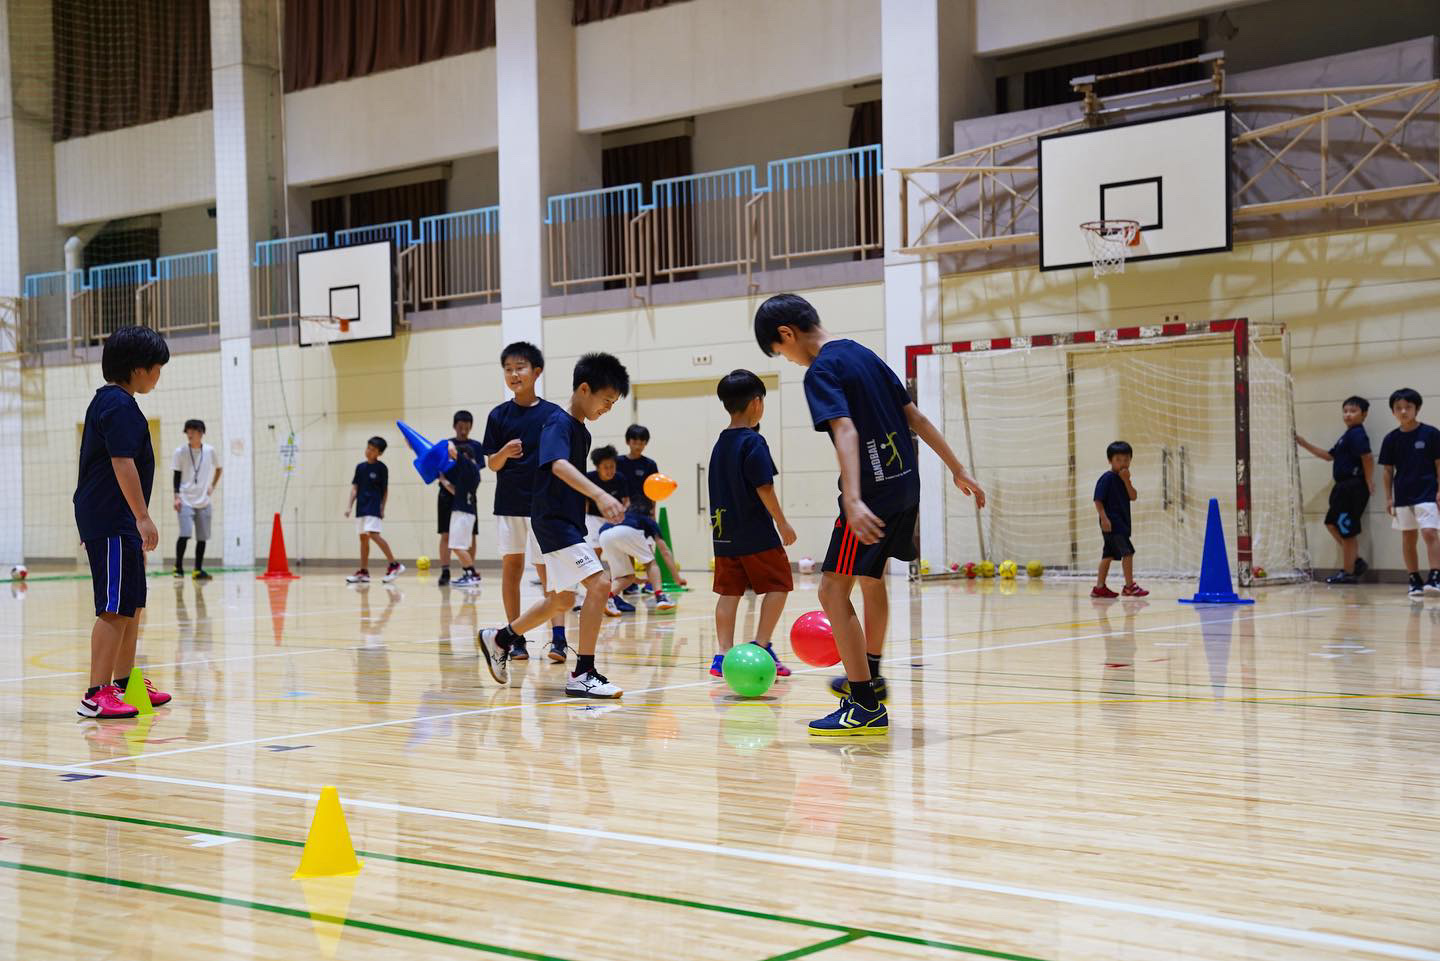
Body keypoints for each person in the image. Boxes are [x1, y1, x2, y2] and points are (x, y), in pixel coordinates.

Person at [754, 294, 986, 736]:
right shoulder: (862, 353)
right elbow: (914, 417)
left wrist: (853, 498)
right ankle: (871, 674)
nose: (788, 359)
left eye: (781, 352)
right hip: (905, 487)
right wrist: (958, 468)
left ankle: (862, 704)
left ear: (786, 334)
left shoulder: (822, 370)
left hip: (873, 495)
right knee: (871, 578)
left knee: (830, 590)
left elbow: (845, 428)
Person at [478, 353, 630, 698]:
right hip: (553, 522)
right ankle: (584, 673)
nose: (608, 407)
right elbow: (558, 465)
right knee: (600, 583)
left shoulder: (582, 432)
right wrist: (601, 496)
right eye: (606, 400)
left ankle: (500, 638)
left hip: (566, 523)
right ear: (585, 388)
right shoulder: (556, 423)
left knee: (560, 601)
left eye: (613, 403)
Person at [73, 326, 173, 718]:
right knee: (114, 606)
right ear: (137, 368)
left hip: (120, 520)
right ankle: (96, 694)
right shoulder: (116, 405)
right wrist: (143, 516)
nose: (158, 375)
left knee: (131, 604)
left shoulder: (119, 403)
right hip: (112, 518)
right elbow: (121, 462)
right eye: (156, 367)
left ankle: (126, 685)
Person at [707, 370, 796, 679]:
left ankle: (722, 655)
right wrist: (783, 523)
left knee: (728, 593)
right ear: (757, 403)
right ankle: (761, 646)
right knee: (780, 584)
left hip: (724, 534)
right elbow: (764, 487)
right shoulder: (753, 442)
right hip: (755, 533)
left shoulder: (720, 444)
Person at [481, 341, 566, 662]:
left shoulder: (553, 415)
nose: (514, 374)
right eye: (508, 369)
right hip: (509, 505)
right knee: (512, 569)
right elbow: (492, 464)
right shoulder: (499, 415)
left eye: (520, 367)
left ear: (537, 371)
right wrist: (503, 453)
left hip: (543, 507)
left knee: (550, 573)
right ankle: (515, 638)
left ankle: (558, 639)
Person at [1296, 396, 1374, 584]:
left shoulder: (1357, 434)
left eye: (1353, 411)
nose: (1348, 415)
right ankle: (1355, 561)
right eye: (1345, 411)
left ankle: (1348, 572)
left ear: (1363, 415)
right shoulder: (1347, 436)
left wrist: (1369, 481)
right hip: (1342, 488)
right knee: (1332, 523)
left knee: (1346, 529)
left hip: (1352, 487)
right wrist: (1303, 443)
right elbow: (1328, 456)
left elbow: (1367, 457)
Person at [1377, 388, 1440, 599]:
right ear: (1393, 411)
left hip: (1428, 492)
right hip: (1402, 495)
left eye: (1408, 407)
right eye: (1398, 408)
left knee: (1430, 532)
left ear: (1417, 408)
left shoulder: (1431, 434)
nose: (1403, 411)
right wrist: (1388, 497)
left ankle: (1436, 576)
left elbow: (1439, 464)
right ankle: (1414, 579)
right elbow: (1387, 470)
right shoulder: (1391, 439)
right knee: (1408, 537)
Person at [597, 508, 681, 615]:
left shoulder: (622, 516)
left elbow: (629, 567)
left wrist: (639, 580)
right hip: (625, 531)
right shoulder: (648, 521)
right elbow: (665, 552)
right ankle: (660, 597)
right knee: (651, 563)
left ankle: (607, 599)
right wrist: (677, 578)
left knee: (626, 576)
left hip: (604, 534)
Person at [1091, 441, 1147, 598]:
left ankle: (1099, 588)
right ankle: (1129, 586)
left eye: (1126, 460)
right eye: (1118, 460)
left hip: (1121, 523)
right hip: (1113, 523)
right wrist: (1104, 518)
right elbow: (1098, 500)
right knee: (1128, 553)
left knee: (1108, 555)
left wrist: (1126, 480)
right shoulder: (1107, 478)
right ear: (1110, 460)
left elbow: (1133, 496)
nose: (1123, 463)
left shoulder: (1123, 479)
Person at [344, 436, 404, 584]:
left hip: (373, 507)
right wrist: (349, 506)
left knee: (373, 535)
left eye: (373, 450)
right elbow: (355, 488)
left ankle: (394, 564)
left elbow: (385, 490)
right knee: (363, 539)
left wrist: (383, 507)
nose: (369, 451)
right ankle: (363, 572)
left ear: (379, 453)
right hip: (361, 507)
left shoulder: (382, 468)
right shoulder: (360, 467)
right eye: (368, 448)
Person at [436, 410, 484, 586]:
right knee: (447, 536)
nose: (464, 430)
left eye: (467, 427)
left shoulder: (472, 449)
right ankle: (447, 571)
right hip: (452, 497)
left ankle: (470, 571)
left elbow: (473, 469)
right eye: (460, 426)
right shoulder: (447, 446)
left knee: (465, 539)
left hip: (463, 497)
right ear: (454, 426)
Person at [172, 418, 221, 581]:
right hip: (185, 499)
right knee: (185, 534)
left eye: (192, 431)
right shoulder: (180, 451)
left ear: (201, 432)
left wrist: (212, 486)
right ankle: (178, 567)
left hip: (204, 501)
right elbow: (176, 475)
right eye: (187, 431)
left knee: (202, 537)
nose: (189, 434)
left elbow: (219, 468)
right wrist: (176, 496)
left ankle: (197, 570)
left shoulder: (209, 450)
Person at [446, 442, 483, 588]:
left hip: (463, 513)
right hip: (464, 512)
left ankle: (473, 574)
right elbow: (457, 492)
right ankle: (468, 574)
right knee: (458, 545)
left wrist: (448, 443)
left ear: (465, 455)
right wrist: (443, 481)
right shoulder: (470, 472)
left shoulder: (469, 466)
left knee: (457, 546)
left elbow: (451, 450)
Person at [585, 444, 629, 550]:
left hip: (615, 518)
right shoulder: (589, 478)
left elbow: (626, 501)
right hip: (594, 518)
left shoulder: (620, 478)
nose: (609, 471)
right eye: (605, 467)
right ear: (597, 467)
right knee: (596, 548)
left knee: (623, 547)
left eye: (612, 466)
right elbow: (584, 501)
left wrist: (621, 515)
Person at [616, 424, 658, 516]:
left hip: (644, 511)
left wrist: (653, 513)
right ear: (627, 441)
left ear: (646, 443)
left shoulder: (650, 464)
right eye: (634, 442)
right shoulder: (617, 462)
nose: (638, 446)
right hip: (621, 510)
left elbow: (653, 491)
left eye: (641, 442)